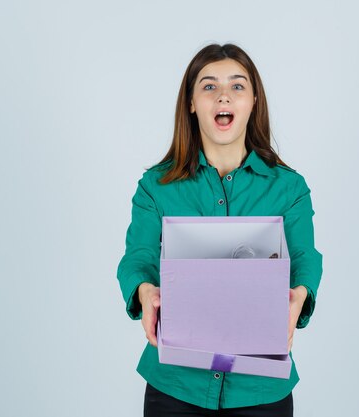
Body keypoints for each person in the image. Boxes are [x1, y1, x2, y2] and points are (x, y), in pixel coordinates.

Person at [116, 43, 323, 417]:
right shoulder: (155, 186)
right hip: (175, 387)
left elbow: (305, 258)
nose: (223, 94)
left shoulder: (289, 189)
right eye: (209, 86)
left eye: (237, 86)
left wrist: (299, 295)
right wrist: (145, 292)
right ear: (192, 103)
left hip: (262, 391)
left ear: (253, 101)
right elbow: (139, 257)